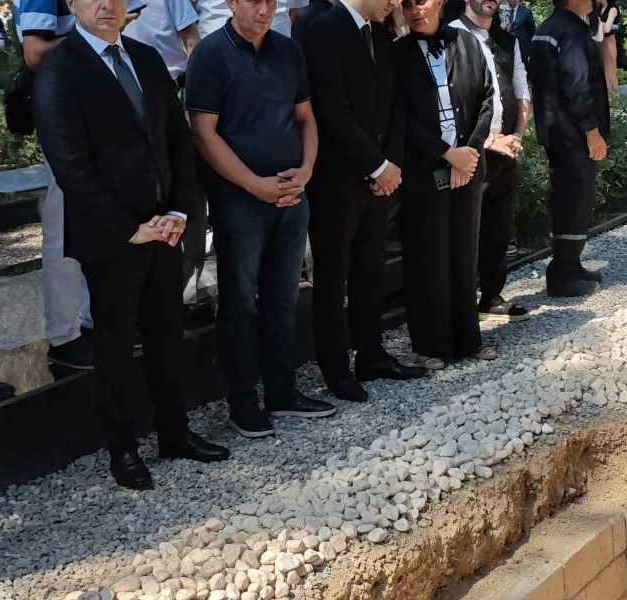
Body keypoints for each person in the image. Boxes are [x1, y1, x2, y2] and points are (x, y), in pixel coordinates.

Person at [31, 0, 230, 490]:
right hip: (110, 235)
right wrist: (128, 228)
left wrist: (178, 211)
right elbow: (70, 164)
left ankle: (174, 432)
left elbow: (177, 139)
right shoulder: (59, 69)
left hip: (164, 226)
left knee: (167, 335)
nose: (107, 5)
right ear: (72, 4)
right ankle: (123, 448)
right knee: (116, 345)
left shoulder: (145, 58)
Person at [187, 0, 337, 438]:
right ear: (232, 2)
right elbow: (203, 133)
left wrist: (306, 169)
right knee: (239, 302)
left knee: (283, 297)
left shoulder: (287, 50)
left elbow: (305, 117)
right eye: (253, 0)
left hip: (291, 192)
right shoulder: (211, 54)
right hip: (239, 198)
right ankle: (242, 402)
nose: (264, 9)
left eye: (271, 0)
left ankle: (282, 391)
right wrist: (254, 184)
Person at [303, 0, 427, 402]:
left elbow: (395, 104)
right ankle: (335, 366)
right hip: (337, 179)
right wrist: (376, 165)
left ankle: (371, 353)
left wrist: (390, 164)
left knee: (370, 269)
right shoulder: (323, 30)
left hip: (380, 178)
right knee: (332, 274)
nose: (395, 3)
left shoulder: (380, 33)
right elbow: (331, 108)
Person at [396, 0, 496, 370]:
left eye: (421, 1)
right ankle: (430, 344)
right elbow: (400, 115)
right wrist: (446, 153)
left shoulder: (467, 42)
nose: (414, 10)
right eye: (407, 4)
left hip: (468, 166)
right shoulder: (398, 54)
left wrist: (469, 152)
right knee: (428, 257)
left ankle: (469, 339)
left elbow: (487, 97)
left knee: (464, 254)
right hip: (424, 171)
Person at [17, 0, 94, 370]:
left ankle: (93, 320)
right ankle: (64, 335)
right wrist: (92, 33)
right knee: (63, 222)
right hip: (65, 108)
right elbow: (34, 52)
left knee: (97, 218)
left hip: (92, 104)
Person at [450, 0, 531, 323]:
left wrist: (517, 135)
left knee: (499, 228)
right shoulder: (452, 36)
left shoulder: (507, 39)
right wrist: (488, 140)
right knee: (467, 231)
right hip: (469, 151)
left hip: (507, 149)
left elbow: (521, 86)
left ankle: (491, 295)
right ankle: (460, 305)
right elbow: (452, 100)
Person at [124, 0, 207, 310]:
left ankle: (186, 297)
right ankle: (141, 304)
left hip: (173, 95)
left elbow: (192, 40)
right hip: (124, 101)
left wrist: (193, 101)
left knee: (187, 191)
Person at [530, 0, 609, 298]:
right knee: (575, 202)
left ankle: (571, 265)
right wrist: (592, 132)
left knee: (565, 198)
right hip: (573, 133)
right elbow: (577, 85)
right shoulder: (572, 32)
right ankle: (563, 275)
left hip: (554, 130)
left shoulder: (547, 28)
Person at [596, 0, 618, 94]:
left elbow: (607, 29)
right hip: (598, 41)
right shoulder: (598, 8)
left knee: (609, 70)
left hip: (608, 42)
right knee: (600, 70)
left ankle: (613, 97)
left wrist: (599, 25)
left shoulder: (613, 9)